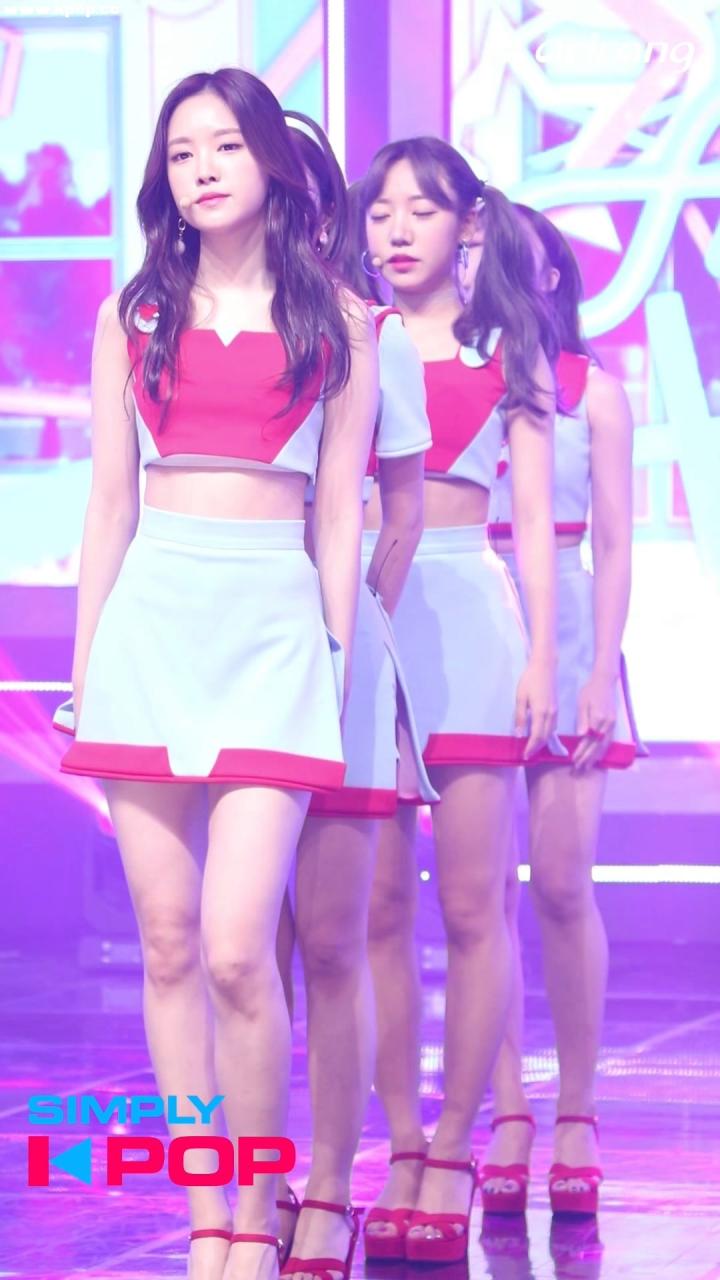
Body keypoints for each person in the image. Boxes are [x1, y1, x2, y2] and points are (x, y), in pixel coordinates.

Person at [53, 68, 377, 1280]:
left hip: (275, 631)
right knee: (169, 944)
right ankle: (212, 1210)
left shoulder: (340, 318)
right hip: (153, 627)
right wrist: (87, 667)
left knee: (243, 945)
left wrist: (332, 656)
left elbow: (338, 509)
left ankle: (262, 1193)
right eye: (181, 150)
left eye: (224, 145)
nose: (200, 168)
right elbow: (109, 503)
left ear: (270, 162)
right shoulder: (132, 312)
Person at [360, 137, 559, 1265]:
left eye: (421, 210)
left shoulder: (506, 346)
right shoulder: (350, 336)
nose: (397, 230)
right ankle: (397, 1142)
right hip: (369, 616)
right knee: (378, 908)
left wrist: (542, 661)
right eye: (381, 210)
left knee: (476, 907)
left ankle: (454, 1143)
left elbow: (532, 520)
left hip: (470, 621)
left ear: (467, 224)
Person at [272, 112, 436, 1280]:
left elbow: (403, 508)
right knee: (232, 945)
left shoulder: (373, 334)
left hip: (334, 659)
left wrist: (351, 629)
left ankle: (330, 1188)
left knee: (331, 938)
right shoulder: (180, 321)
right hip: (217, 655)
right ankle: (248, 1179)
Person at [481, 204, 642, 1216]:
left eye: (512, 259)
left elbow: (616, 542)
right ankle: (506, 1109)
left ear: (551, 278)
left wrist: (599, 671)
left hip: (574, 632)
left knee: (562, 883)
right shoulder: (446, 378)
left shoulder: (594, 391)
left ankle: (576, 1108)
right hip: (472, 622)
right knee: (481, 896)